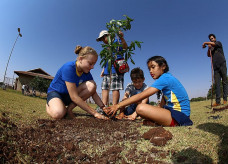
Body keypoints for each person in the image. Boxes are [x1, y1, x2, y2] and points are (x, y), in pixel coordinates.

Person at [104, 56, 193, 126]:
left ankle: (169, 123)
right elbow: (164, 99)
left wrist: (117, 105)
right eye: (149, 69)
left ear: (163, 67)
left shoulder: (165, 78)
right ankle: (158, 122)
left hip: (180, 117)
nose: (151, 71)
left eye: (153, 67)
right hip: (175, 114)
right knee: (145, 114)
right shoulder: (167, 78)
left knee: (141, 108)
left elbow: (141, 95)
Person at [46, 45, 108, 120]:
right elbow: (74, 97)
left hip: (69, 96)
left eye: (94, 64)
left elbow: (93, 92)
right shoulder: (69, 68)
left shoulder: (86, 73)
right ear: (80, 59)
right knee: (58, 114)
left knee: (92, 85)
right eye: (90, 63)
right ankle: (49, 105)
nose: (92, 67)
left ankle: (69, 109)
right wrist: (95, 113)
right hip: (56, 93)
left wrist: (103, 107)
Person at [96, 30, 128, 106]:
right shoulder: (107, 47)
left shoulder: (117, 41)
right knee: (104, 88)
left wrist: (122, 38)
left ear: (108, 36)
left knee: (115, 88)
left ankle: (114, 107)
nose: (103, 41)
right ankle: (104, 107)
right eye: (101, 40)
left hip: (116, 69)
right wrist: (103, 70)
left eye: (103, 38)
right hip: (107, 70)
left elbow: (125, 48)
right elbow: (107, 59)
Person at [202, 34, 228, 107]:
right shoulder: (212, 48)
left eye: (212, 38)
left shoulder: (218, 43)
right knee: (217, 84)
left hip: (222, 64)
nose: (211, 40)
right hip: (215, 67)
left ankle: (225, 99)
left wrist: (205, 43)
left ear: (215, 39)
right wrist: (208, 48)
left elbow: (213, 44)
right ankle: (218, 101)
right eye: (210, 39)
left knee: (224, 82)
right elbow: (208, 55)